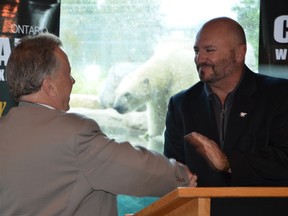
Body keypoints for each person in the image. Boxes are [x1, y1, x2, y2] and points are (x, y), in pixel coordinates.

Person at [0, 32, 198, 216]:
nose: (73, 81)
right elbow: (138, 170)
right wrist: (181, 175)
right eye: (68, 74)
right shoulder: (75, 134)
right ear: (49, 86)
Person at [164, 17, 288, 215]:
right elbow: (173, 167)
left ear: (240, 53)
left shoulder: (279, 95)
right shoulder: (181, 104)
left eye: (209, 50)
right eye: (197, 51)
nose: (200, 58)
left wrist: (229, 161)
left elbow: (284, 159)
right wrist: (177, 174)